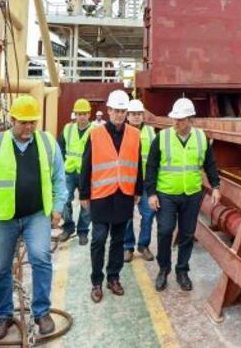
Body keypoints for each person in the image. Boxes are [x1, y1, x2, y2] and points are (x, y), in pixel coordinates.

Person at [0, 95, 67, 339]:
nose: (29, 127)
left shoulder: (47, 143)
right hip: (3, 218)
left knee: (41, 258)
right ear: (12, 120)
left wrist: (58, 206)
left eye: (33, 122)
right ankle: (3, 314)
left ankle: (41, 312)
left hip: (36, 215)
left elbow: (59, 178)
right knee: (0, 267)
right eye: (23, 122)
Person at [146, 97, 220, 292]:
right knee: (165, 231)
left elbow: (209, 164)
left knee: (187, 234)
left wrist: (216, 186)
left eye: (180, 120)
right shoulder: (162, 138)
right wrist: (151, 193)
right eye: (174, 119)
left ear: (190, 120)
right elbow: (151, 167)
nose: (176, 123)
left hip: (192, 194)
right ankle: (163, 269)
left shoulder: (201, 138)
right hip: (166, 194)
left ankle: (182, 271)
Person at [80, 89, 143, 303]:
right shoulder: (95, 134)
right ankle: (96, 281)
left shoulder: (135, 134)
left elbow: (138, 165)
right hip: (101, 195)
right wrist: (84, 193)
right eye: (116, 110)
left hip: (124, 194)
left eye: (123, 111)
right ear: (108, 111)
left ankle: (113, 277)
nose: (119, 114)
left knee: (118, 239)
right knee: (98, 239)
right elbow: (86, 165)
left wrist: (138, 190)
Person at [123, 98, 156, 262]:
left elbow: (156, 158)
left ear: (143, 116)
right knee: (127, 216)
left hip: (146, 183)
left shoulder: (150, 132)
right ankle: (128, 247)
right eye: (133, 114)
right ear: (127, 116)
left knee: (148, 215)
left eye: (139, 114)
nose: (136, 117)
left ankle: (143, 245)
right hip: (128, 182)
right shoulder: (122, 131)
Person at [58, 98, 92, 245]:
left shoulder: (95, 131)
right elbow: (60, 149)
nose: (82, 117)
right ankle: (68, 226)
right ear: (75, 115)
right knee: (64, 200)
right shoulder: (68, 129)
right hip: (69, 171)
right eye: (79, 114)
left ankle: (83, 232)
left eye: (84, 113)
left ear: (89, 114)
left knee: (87, 204)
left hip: (88, 173)